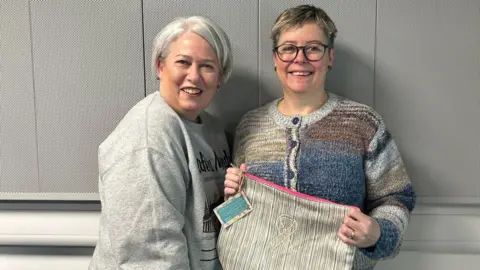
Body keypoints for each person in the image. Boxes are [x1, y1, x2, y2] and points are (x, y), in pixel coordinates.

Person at [224, 5, 415, 269]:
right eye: (288, 48)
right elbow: (238, 214)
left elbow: (395, 197)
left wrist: (378, 233)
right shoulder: (250, 125)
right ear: (275, 58)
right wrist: (232, 196)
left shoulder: (362, 123)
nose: (299, 59)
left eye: (313, 48)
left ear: (330, 57)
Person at [89, 16, 233, 270]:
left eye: (207, 66)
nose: (194, 76)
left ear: (220, 77)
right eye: (183, 62)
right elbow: (150, 254)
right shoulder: (148, 137)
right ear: (160, 66)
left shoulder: (211, 129)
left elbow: (211, 219)